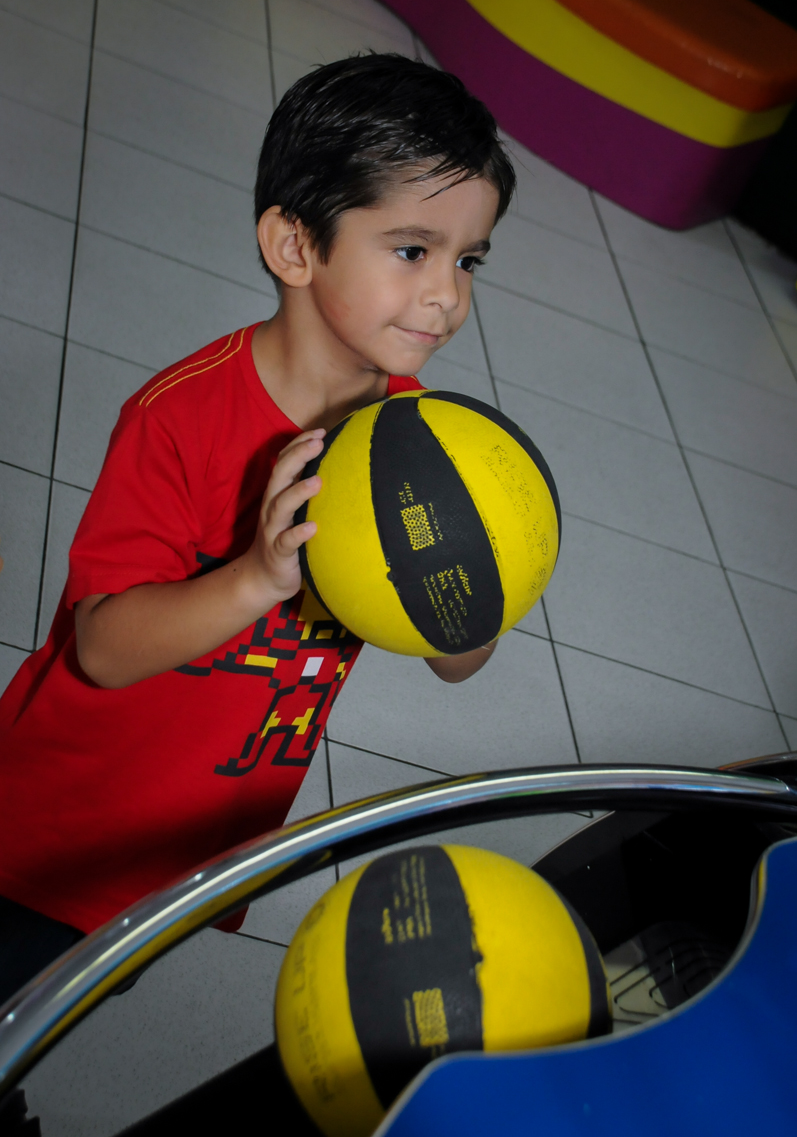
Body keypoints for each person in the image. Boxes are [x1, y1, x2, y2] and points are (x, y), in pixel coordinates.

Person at [0, 54, 516, 1004]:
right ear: (294, 245)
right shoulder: (179, 418)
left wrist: (482, 572)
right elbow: (102, 649)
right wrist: (256, 576)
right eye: (412, 250)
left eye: (468, 259)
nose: (449, 295)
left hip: (196, 836)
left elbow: (457, 659)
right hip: (58, 824)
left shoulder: (413, 444)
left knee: (69, 1005)